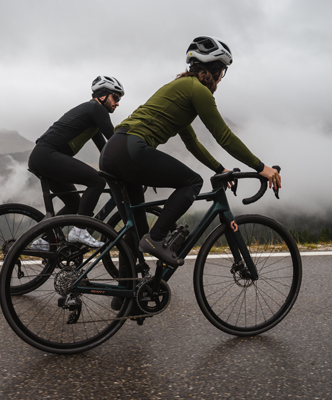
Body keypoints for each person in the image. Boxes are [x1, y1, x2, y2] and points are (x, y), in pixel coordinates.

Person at [99, 36, 281, 266]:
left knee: (134, 231)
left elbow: (192, 143)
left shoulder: (180, 90)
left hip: (112, 151)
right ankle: (156, 239)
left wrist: (219, 168)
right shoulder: (197, 90)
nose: (221, 78)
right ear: (214, 70)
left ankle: (125, 297)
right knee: (192, 182)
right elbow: (223, 135)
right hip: (131, 149)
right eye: (222, 71)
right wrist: (261, 167)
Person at [28, 75, 124, 247]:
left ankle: (44, 239)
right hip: (46, 155)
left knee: (74, 204)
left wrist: (117, 172)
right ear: (102, 95)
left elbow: (106, 150)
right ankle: (79, 229)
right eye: (115, 97)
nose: (117, 103)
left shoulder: (92, 117)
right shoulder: (96, 109)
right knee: (97, 181)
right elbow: (114, 140)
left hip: (41, 157)